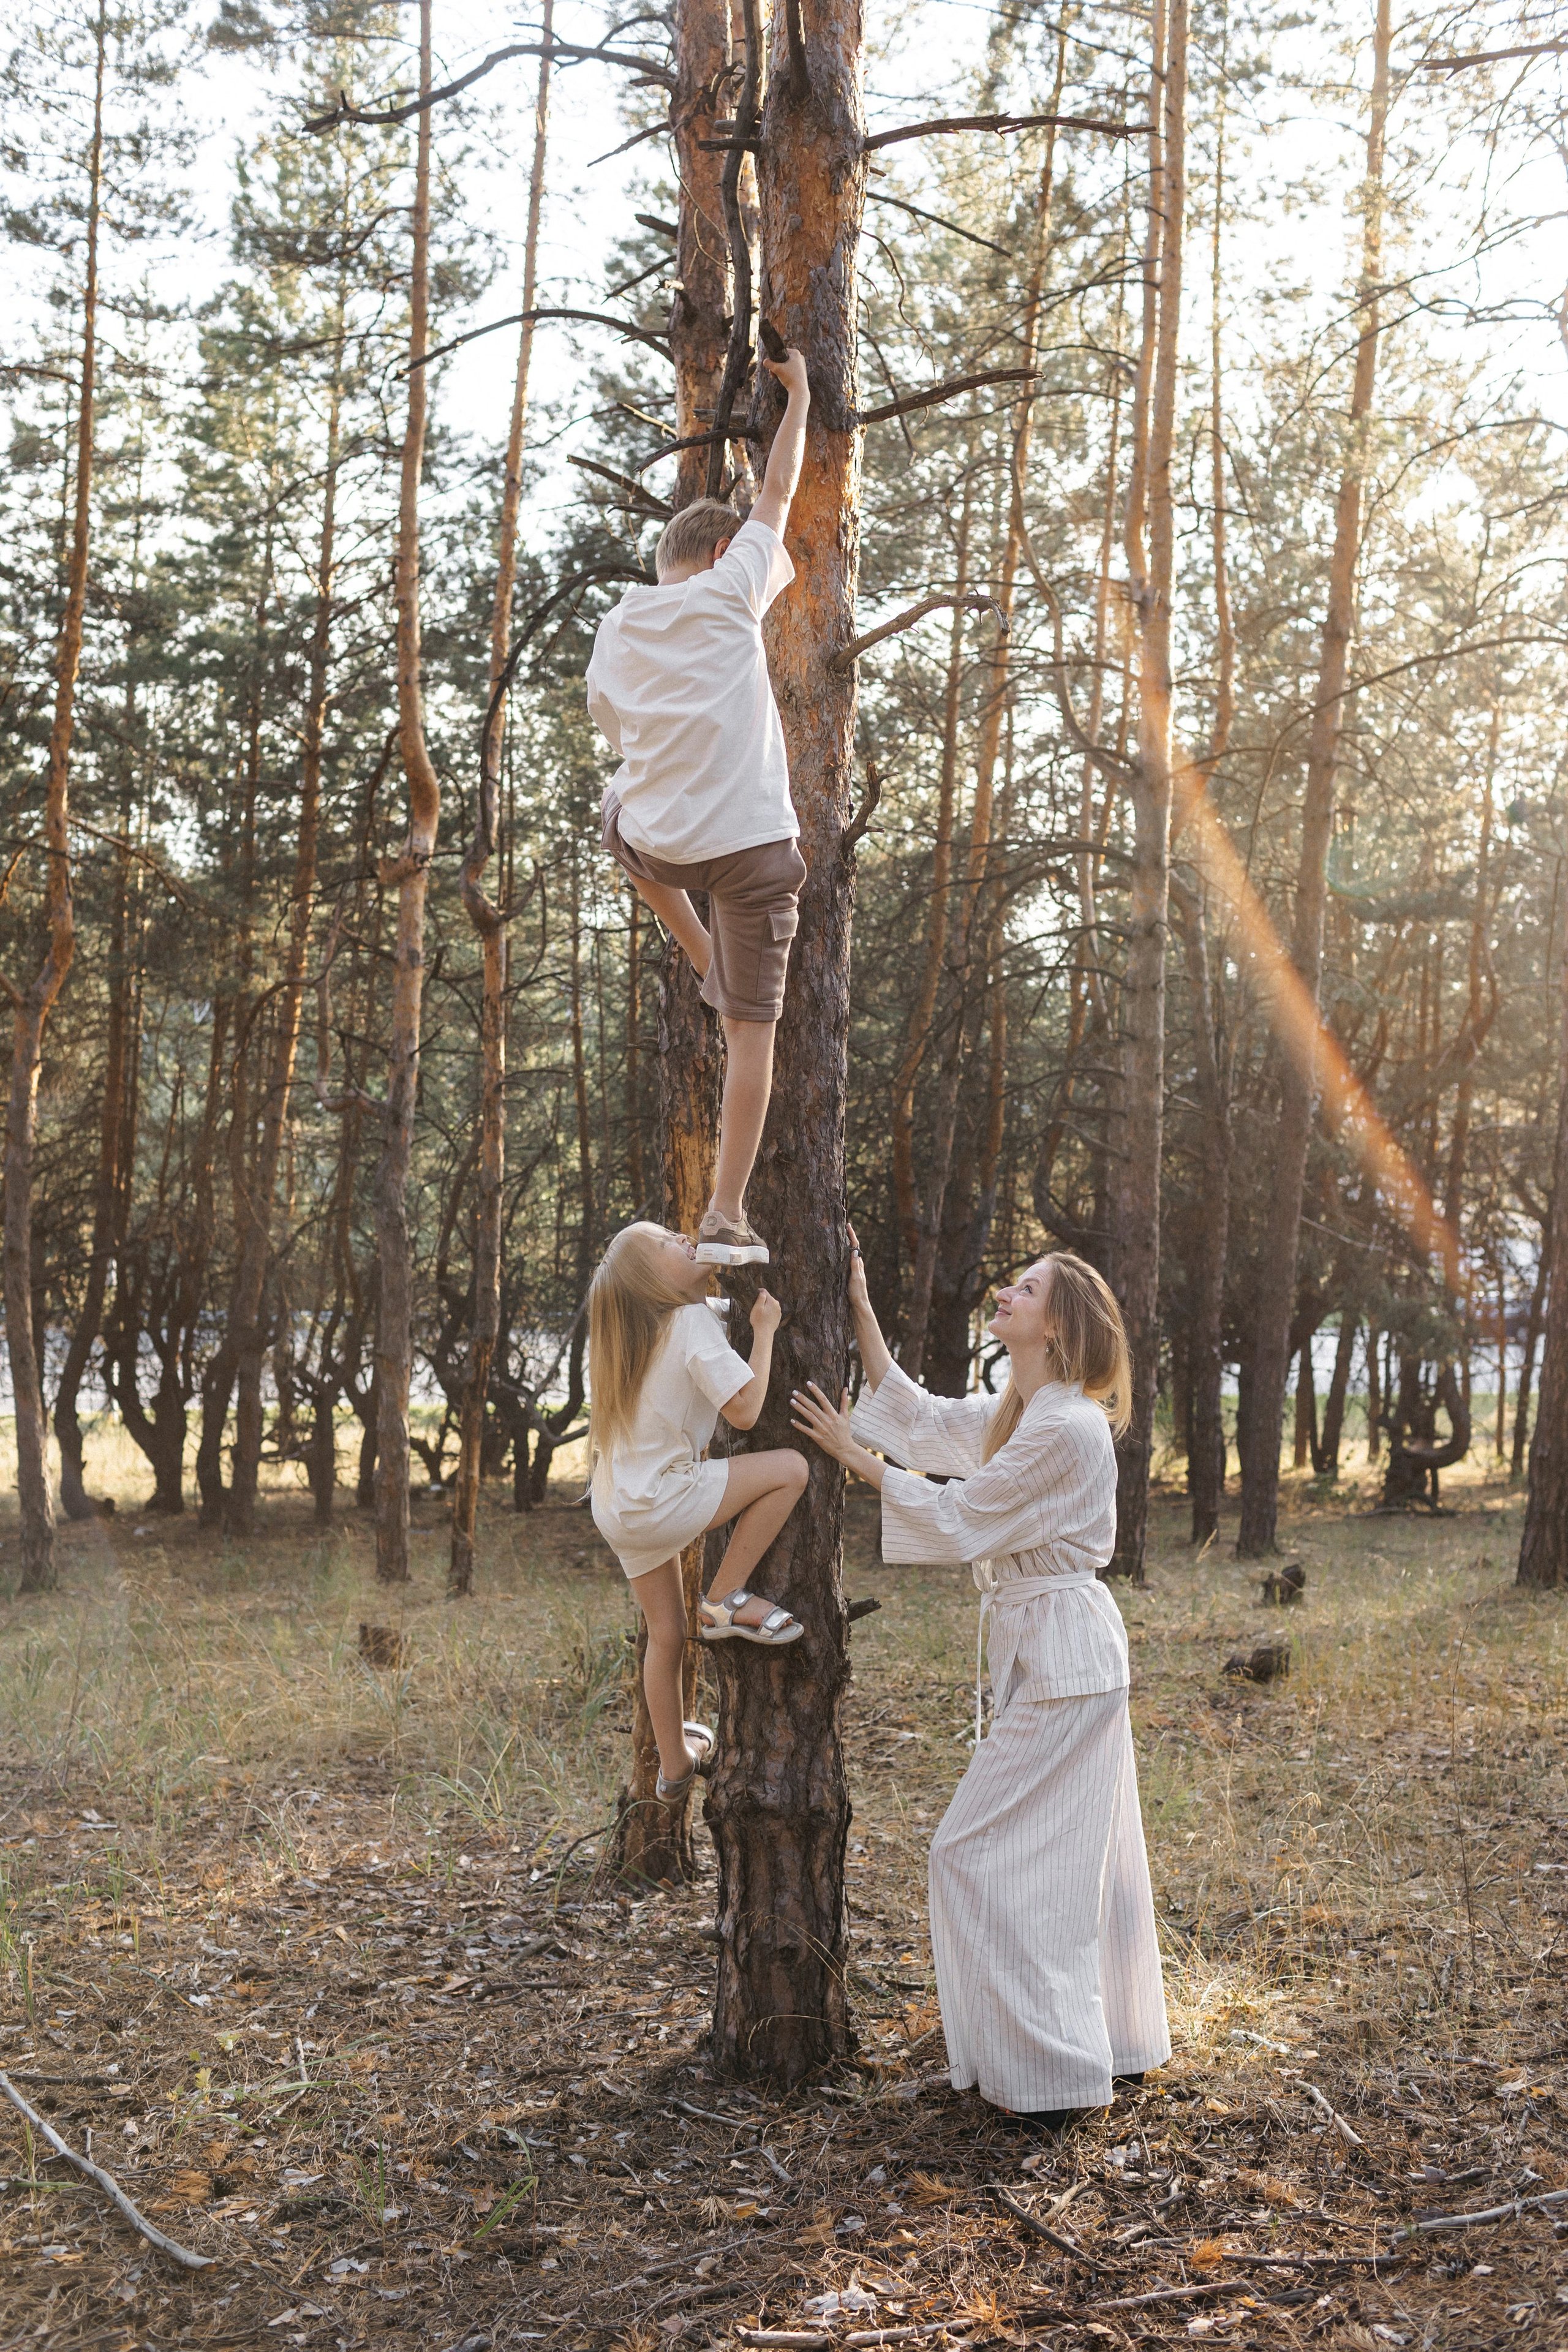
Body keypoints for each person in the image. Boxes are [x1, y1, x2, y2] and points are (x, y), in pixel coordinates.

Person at [790, 1237, 1170, 2130]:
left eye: (1026, 1287)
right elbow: (925, 1420)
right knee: (1076, 1859)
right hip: (1059, 1656)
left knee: (971, 1853)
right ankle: (1091, 2048)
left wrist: (855, 1458)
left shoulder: (1064, 1425)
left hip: (1065, 1661)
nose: (1006, 1289)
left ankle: (1047, 2073)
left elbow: (962, 1518)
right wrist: (857, 1303)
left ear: (1059, 1325)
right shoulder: (1029, 1409)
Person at [585, 344, 813, 1268]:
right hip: (755, 850)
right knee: (750, 1033)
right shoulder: (732, 587)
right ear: (724, 555)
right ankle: (725, 1212)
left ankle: (700, 951)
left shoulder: (619, 620)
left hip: (667, 847)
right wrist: (794, 396)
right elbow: (782, 488)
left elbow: (613, 724)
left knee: (614, 816)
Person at [587, 1222, 810, 1806]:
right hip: (660, 1497)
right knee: (791, 1469)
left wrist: (714, 1257)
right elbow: (744, 1411)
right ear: (650, 1281)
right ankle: (726, 1598)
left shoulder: (647, 1329)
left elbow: (710, 1289)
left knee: (667, 1636)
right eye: (666, 1243)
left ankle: (674, 1766)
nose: (683, 1236)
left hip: (619, 1504)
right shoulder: (686, 1323)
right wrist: (764, 1332)